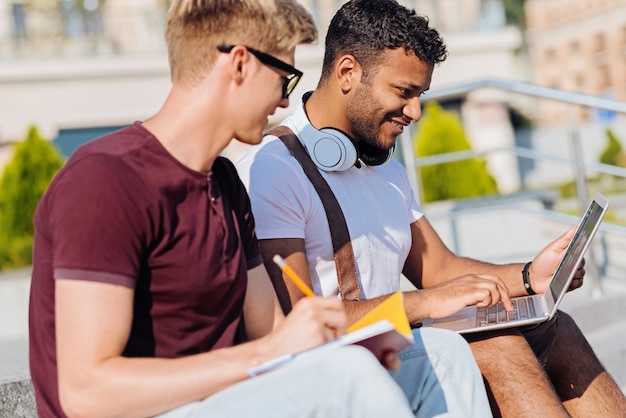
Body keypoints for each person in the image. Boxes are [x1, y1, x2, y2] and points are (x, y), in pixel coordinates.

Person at [28, 1, 418, 417]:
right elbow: (86, 393)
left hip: (226, 400)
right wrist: (276, 354)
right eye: (284, 79)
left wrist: (341, 346)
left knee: (438, 357)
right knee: (348, 381)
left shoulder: (225, 182)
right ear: (239, 64)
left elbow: (273, 332)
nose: (284, 103)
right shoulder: (105, 180)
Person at [237, 0, 626, 417]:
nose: (415, 112)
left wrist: (531, 275)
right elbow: (299, 322)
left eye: (420, 95)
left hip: (398, 344)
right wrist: (426, 303)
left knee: (555, 326)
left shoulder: (383, 165)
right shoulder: (275, 170)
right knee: (495, 345)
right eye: (404, 93)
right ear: (348, 72)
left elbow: (438, 268)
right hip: (339, 364)